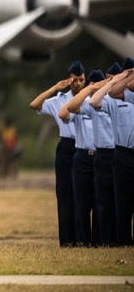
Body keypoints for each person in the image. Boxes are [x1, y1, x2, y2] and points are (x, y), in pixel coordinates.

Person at [29, 61, 83, 246]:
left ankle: (83, 238)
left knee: (84, 195)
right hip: (67, 146)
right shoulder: (60, 99)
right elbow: (35, 105)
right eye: (75, 80)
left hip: (85, 147)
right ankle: (67, 240)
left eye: (81, 80)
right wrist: (54, 88)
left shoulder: (89, 97)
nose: (78, 84)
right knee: (65, 193)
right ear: (69, 80)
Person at [60, 69, 108, 246]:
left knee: (99, 202)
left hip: (101, 156)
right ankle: (82, 241)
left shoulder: (108, 104)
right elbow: (64, 113)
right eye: (92, 85)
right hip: (82, 156)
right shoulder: (84, 104)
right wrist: (87, 90)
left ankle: (99, 241)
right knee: (81, 203)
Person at [90, 62, 134, 246]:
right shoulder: (121, 96)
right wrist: (118, 79)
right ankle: (123, 241)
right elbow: (94, 101)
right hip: (124, 153)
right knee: (122, 202)